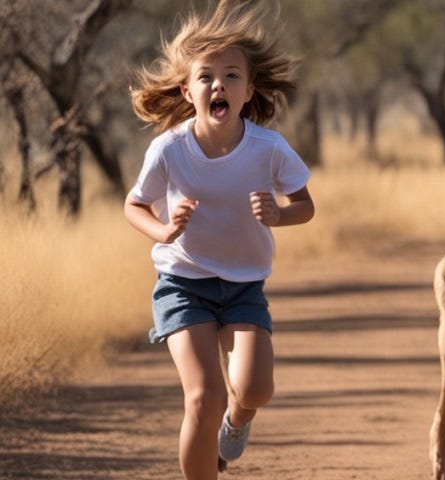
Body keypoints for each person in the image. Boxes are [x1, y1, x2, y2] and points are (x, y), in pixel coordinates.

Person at [124, 1, 314, 479]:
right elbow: (133, 205)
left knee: (253, 390)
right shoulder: (169, 149)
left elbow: (305, 205)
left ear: (248, 90)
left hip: (244, 286)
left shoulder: (268, 148)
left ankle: (238, 419)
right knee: (202, 396)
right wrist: (165, 230)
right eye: (206, 76)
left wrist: (279, 213)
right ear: (187, 91)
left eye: (231, 76)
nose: (218, 85)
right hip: (183, 282)